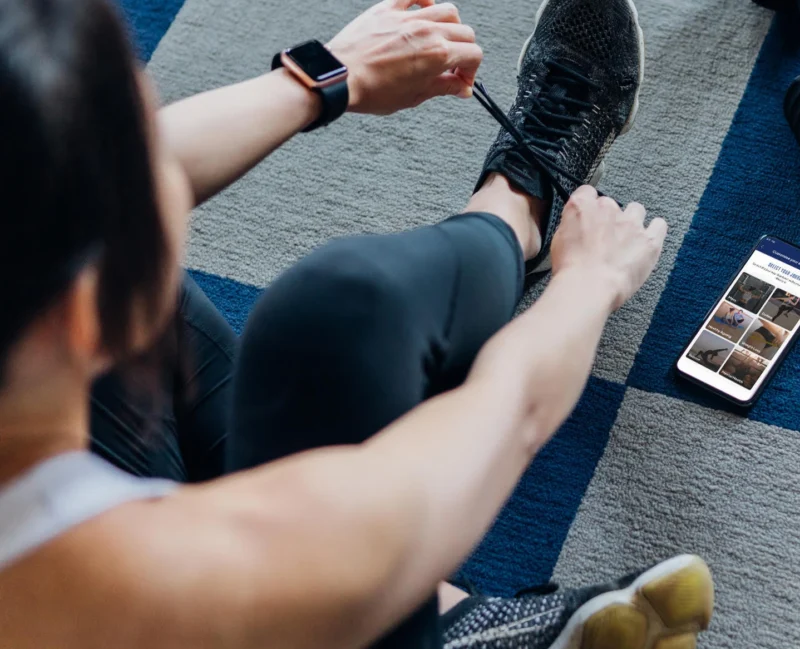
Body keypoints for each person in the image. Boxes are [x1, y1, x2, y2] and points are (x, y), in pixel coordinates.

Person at [0, 0, 716, 648]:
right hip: (242, 605)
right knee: (333, 318)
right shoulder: (182, 581)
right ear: (88, 313)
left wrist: (320, 79)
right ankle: (522, 205)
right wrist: (591, 281)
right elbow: (512, 410)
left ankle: (519, 208)